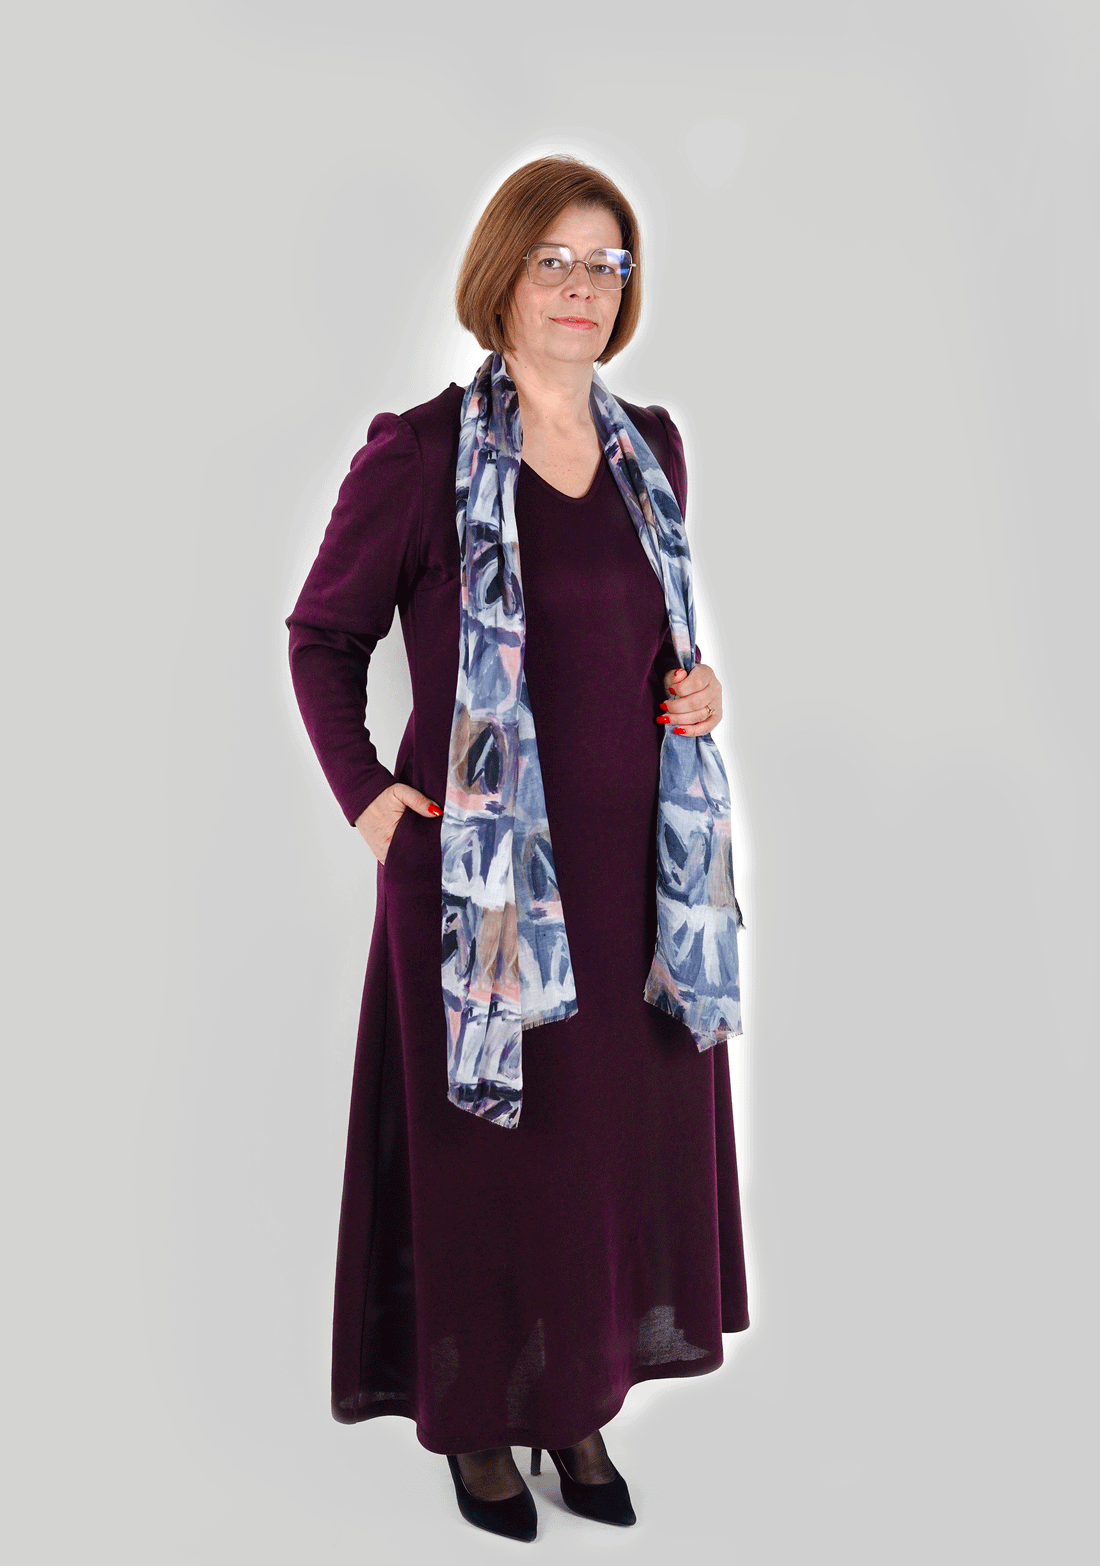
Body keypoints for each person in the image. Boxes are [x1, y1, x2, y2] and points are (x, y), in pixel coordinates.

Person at [286, 154, 749, 1543]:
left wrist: (696, 689)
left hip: (637, 888)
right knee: (498, 1164)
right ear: (503, 276)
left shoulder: (650, 449)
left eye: (607, 263)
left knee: (599, 1160)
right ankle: (483, 1423)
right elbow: (323, 637)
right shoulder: (420, 455)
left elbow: (647, 646)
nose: (583, 287)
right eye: (555, 259)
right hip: (479, 893)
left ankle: (576, 1401)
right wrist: (372, 798)